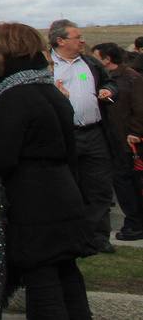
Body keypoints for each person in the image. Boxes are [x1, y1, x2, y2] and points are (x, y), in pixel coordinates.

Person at [0, 22, 92, 318]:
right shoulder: (48, 89)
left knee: (43, 285)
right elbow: (70, 151)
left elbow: (2, 157)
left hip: (33, 202)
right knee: (67, 276)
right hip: (63, 194)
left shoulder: (15, 96)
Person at [47, 19, 117, 253]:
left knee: (99, 187)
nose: (83, 41)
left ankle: (98, 237)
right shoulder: (46, 66)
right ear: (61, 41)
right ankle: (71, 237)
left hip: (94, 132)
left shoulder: (89, 63)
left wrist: (109, 91)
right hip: (65, 135)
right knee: (68, 187)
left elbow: (109, 82)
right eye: (78, 37)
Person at [92, 42, 143, 240]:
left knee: (128, 183)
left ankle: (135, 223)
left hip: (128, 141)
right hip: (112, 139)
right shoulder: (102, 78)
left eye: (96, 57)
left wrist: (136, 132)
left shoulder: (131, 78)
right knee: (123, 182)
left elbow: (140, 108)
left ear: (107, 59)